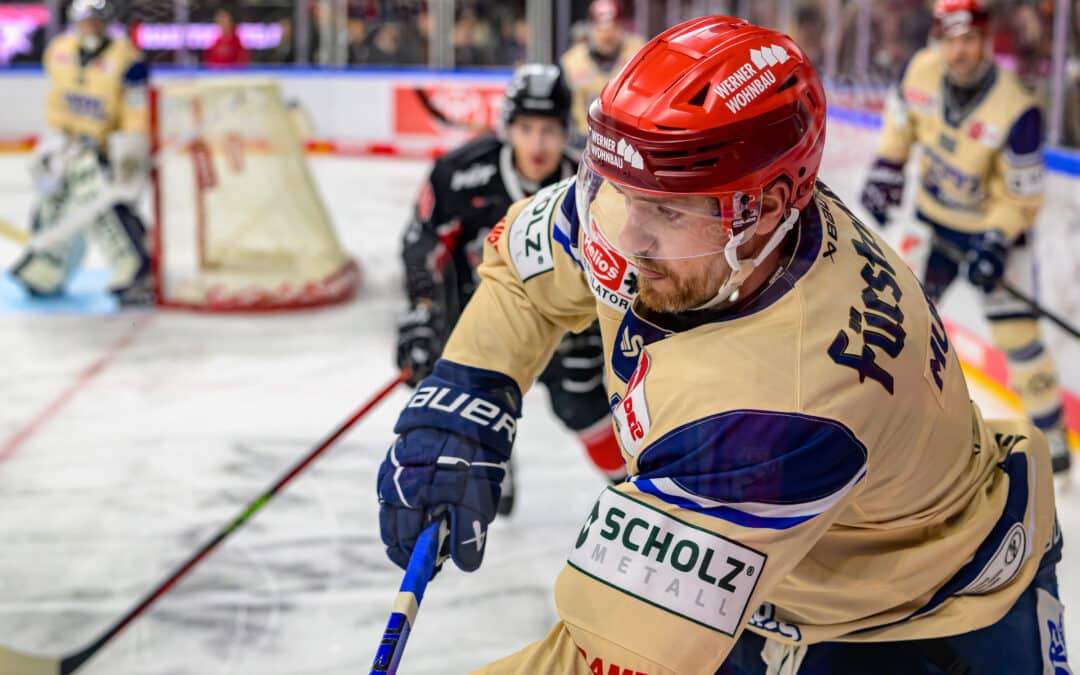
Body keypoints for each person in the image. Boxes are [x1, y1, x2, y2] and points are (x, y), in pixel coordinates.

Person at [377, 16, 1068, 673]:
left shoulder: (784, 402)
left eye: (669, 212)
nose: (626, 238)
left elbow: (607, 656)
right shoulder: (688, 214)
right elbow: (528, 271)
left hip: (929, 625)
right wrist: (472, 382)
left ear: (766, 207)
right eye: (619, 189)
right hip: (792, 581)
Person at [394, 63, 626, 516]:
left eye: (549, 129)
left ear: (567, 130)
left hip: (568, 325)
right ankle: (491, 453)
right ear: (507, 127)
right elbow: (421, 242)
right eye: (525, 128)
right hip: (487, 321)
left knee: (581, 405)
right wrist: (422, 313)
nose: (537, 144)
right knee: (477, 401)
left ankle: (633, 489)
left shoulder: (592, 182)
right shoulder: (460, 175)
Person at [861, 0, 1072, 477]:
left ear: (985, 39)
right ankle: (888, 417)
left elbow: (1022, 199)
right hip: (935, 223)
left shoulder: (1017, 108)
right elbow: (899, 129)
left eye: (970, 40)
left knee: (1018, 335)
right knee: (906, 319)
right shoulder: (919, 71)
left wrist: (996, 241)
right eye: (952, 40)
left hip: (994, 236)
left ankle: (1053, 434)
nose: (961, 51)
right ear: (939, 39)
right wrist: (885, 171)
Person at [10, 0, 152, 306]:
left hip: (105, 150)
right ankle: (47, 266)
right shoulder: (60, 51)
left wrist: (129, 148)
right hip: (67, 144)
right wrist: (53, 142)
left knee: (107, 208)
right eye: (85, 20)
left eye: (95, 20)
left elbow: (135, 110)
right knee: (54, 206)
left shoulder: (127, 59)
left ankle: (136, 270)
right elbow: (56, 101)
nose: (90, 27)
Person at [560, 0, 644, 143]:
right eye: (601, 29)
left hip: (628, 139)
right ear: (591, 29)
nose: (607, 36)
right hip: (584, 141)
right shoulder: (572, 61)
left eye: (613, 28)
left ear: (622, 27)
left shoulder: (638, 53)